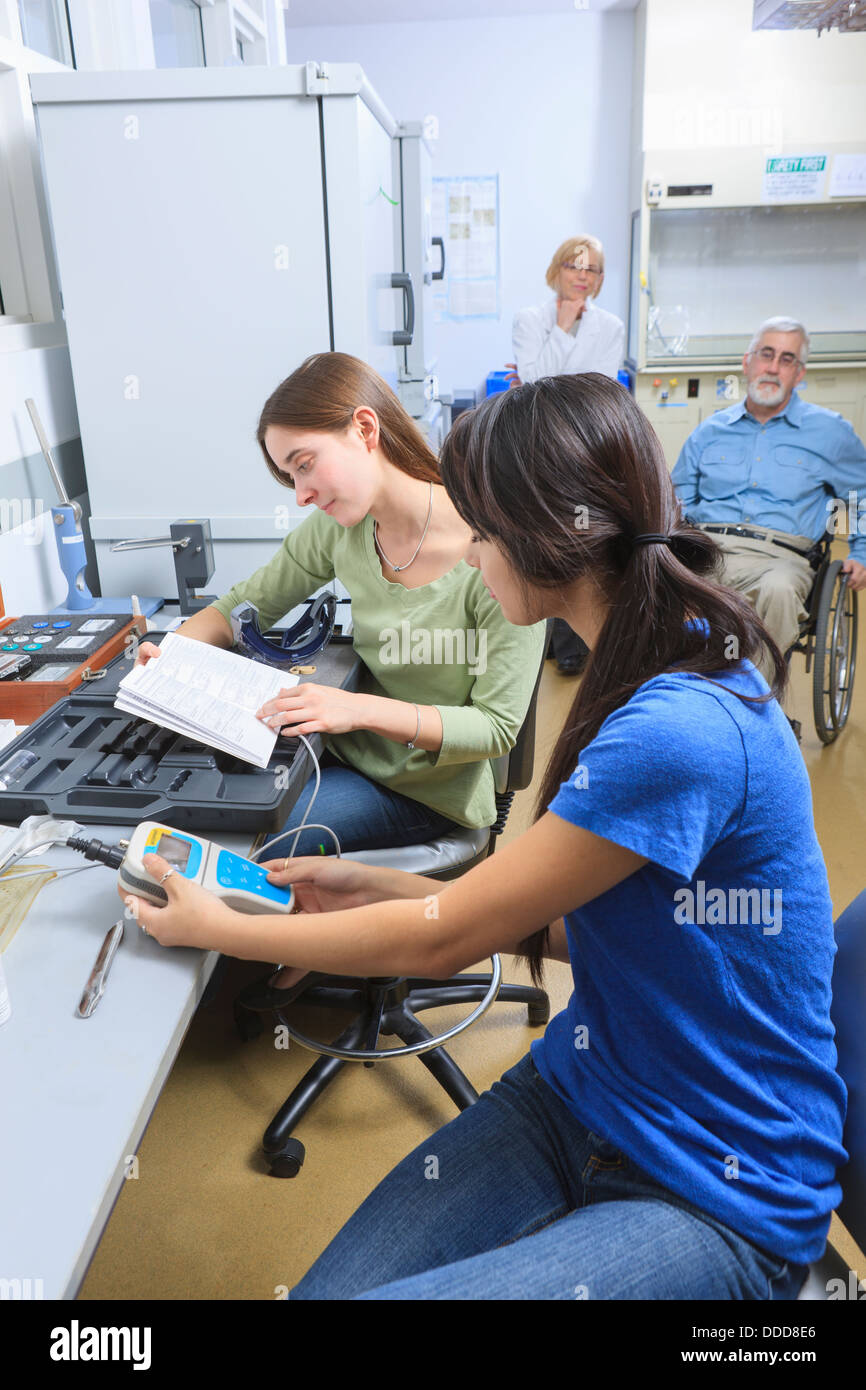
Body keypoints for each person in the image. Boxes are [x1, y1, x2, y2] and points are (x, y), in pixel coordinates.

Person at [126, 373, 844, 1301]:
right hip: (589, 1092)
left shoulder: (676, 728)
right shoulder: (647, 655)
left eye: (484, 531)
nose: (470, 555)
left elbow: (448, 937)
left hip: (717, 1184)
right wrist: (369, 890)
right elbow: (579, 925)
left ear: (550, 533)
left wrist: (216, 927)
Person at [135, 351, 545, 998]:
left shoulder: (491, 550)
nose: (301, 493)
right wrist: (171, 654)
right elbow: (237, 605)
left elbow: (495, 728)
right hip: (347, 757)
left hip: (428, 791)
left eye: (304, 465)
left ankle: (291, 959)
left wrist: (353, 710)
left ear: (364, 429)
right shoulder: (343, 533)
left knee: (250, 857)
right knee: (222, 817)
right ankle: (293, 949)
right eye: (289, 478)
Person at [672, 316, 866, 689]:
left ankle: (752, 705)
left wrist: (861, 549)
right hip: (710, 549)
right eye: (766, 354)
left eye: (787, 359)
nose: (773, 367)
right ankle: (683, 698)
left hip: (780, 559)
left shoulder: (830, 432)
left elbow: (859, 494)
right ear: (748, 362)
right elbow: (678, 501)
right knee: (660, 582)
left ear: (799, 373)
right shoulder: (709, 432)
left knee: (777, 590)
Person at [508, 235, 625, 676]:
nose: (582, 275)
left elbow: (600, 387)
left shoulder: (610, 327)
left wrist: (551, 375)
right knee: (541, 538)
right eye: (574, 266)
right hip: (537, 445)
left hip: (586, 445)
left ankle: (577, 642)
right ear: (557, 270)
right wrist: (560, 328)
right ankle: (544, 640)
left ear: (599, 280)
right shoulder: (529, 319)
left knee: (583, 537)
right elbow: (536, 382)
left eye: (591, 269)